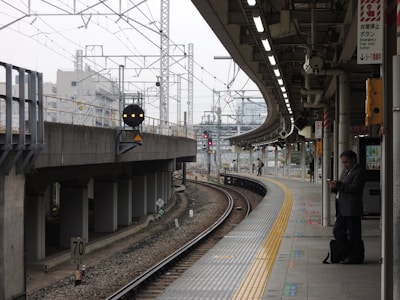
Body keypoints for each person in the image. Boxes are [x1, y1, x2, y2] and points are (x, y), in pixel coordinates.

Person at [329, 150, 366, 264]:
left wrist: (339, 185)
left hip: (352, 209)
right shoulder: (346, 171)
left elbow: (355, 188)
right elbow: (343, 185)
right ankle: (346, 252)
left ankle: (354, 256)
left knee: (354, 234)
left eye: (346, 162)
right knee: (338, 231)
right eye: (343, 162)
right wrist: (335, 187)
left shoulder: (359, 171)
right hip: (342, 208)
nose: (345, 165)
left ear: (353, 160)